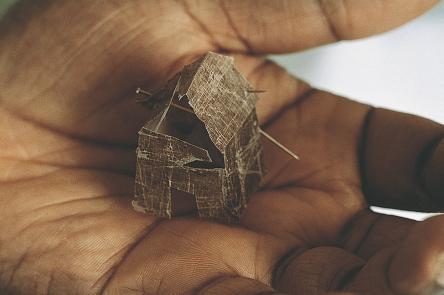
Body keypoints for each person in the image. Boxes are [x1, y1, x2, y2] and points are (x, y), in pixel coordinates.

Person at [0, 1, 443, 294]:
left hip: (217, 156)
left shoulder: (221, 116)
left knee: (210, 159)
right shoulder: (168, 125)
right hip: (177, 150)